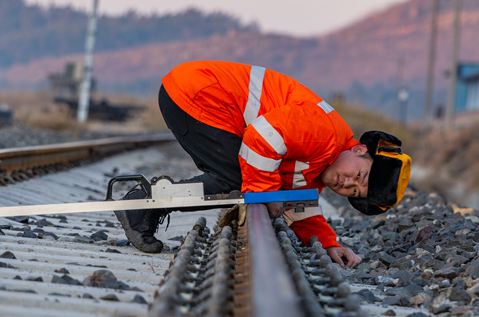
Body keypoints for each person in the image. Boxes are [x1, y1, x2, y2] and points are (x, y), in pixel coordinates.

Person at [116, 61, 412, 268]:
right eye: (360, 175)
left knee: (239, 180)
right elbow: (261, 138)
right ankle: (142, 206)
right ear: (360, 149)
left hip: (196, 92)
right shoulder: (325, 132)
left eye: (356, 193)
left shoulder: (320, 163)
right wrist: (266, 194)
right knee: (236, 180)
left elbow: (299, 202)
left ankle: (146, 205)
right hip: (199, 93)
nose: (349, 184)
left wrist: (328, 243)